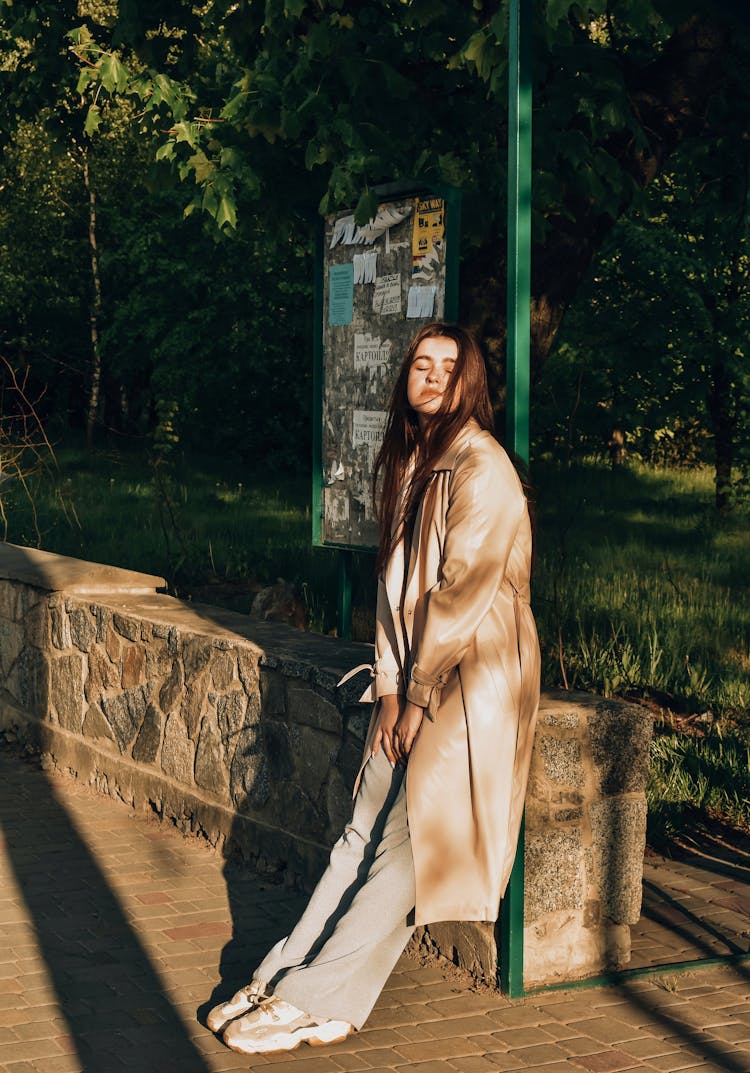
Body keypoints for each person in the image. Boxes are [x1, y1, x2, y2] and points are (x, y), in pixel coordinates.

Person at [206, 322, 541, 1056]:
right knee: (360, 831)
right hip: (418, 675)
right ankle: (287, 974)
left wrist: (418, 696)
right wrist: (390, 692)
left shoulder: (481, 470)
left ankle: (318, 998)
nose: (430, 376)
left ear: (469, 384)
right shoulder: (417, 464)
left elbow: (459, 598)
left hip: (471, 677)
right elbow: (397, 596)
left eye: (447, 368)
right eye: (419, 364)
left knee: (410, 842)